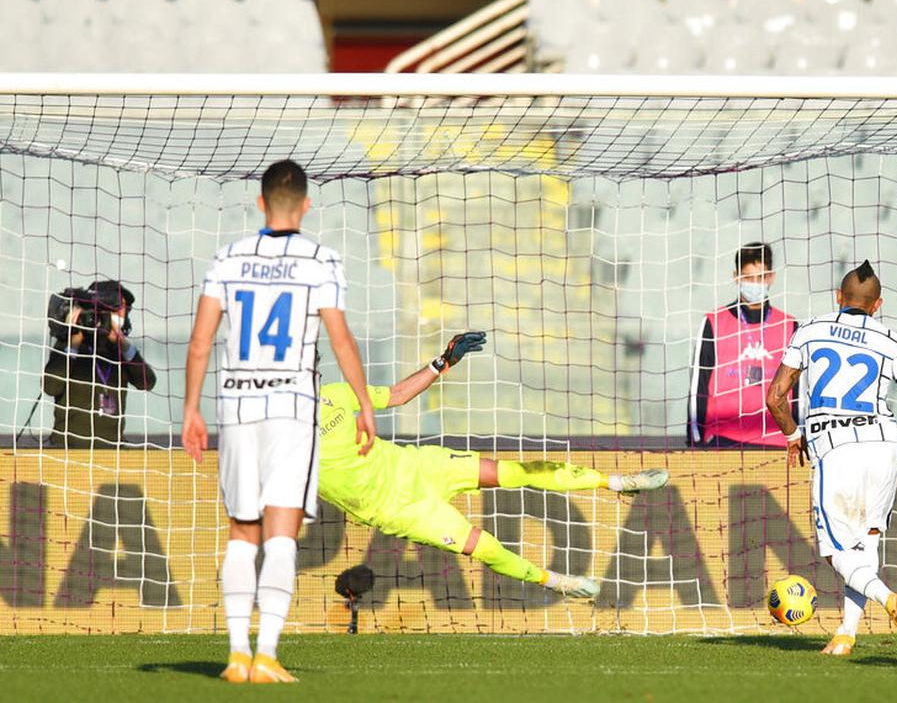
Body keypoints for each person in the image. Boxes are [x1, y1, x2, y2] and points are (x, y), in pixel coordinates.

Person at [181, 160, 377, 685]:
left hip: (236, 404)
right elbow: (339, 338)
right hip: (292, 407)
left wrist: (190, 409)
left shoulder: (229, 257)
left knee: (242, 530)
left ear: (260, 202)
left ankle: (237, 655)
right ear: (306, 205)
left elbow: (201, 341)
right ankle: (267, 654)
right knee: (282, 530)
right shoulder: (321, 260)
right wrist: (364, 402)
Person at [318, 331, 670, 598]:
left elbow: (393, 395)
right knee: (484, 546)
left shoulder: (334, 393)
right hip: (397, 509)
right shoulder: (278, 435)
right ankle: (558, 582)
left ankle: (620, 482)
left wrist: (442, 362)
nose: (313, 372)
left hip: (416, 465)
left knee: (515, 471)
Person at [766, 260, 897, 657]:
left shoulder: (810, 330)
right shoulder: (891, 339)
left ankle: (890, 601)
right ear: (878, 305)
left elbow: (775, 396)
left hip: (836, 447)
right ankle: (846, 633)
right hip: (883, 444)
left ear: (839, 298)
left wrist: (792, 436)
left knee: (835, 551)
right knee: (866, 543)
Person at [689, 242, 797, 447]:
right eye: (748, 278)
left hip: (776, 439)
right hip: (724, 438)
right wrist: (696, 439)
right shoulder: (714, 321)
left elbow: (799, 392)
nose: (755, 284)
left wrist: (798, 436)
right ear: (736, 277)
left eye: (761, 277)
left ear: (771, 277)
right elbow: (698, 387)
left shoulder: (788, 325)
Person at [43, 280, 157, 448]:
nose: (120, 314)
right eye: (115, 308)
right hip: (67, 451)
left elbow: (147, 382)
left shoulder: (120, 351)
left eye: (123, 308)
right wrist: (74, 341)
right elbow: (51, 387)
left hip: (110, 454)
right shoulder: (69, 345)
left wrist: (122, 344)